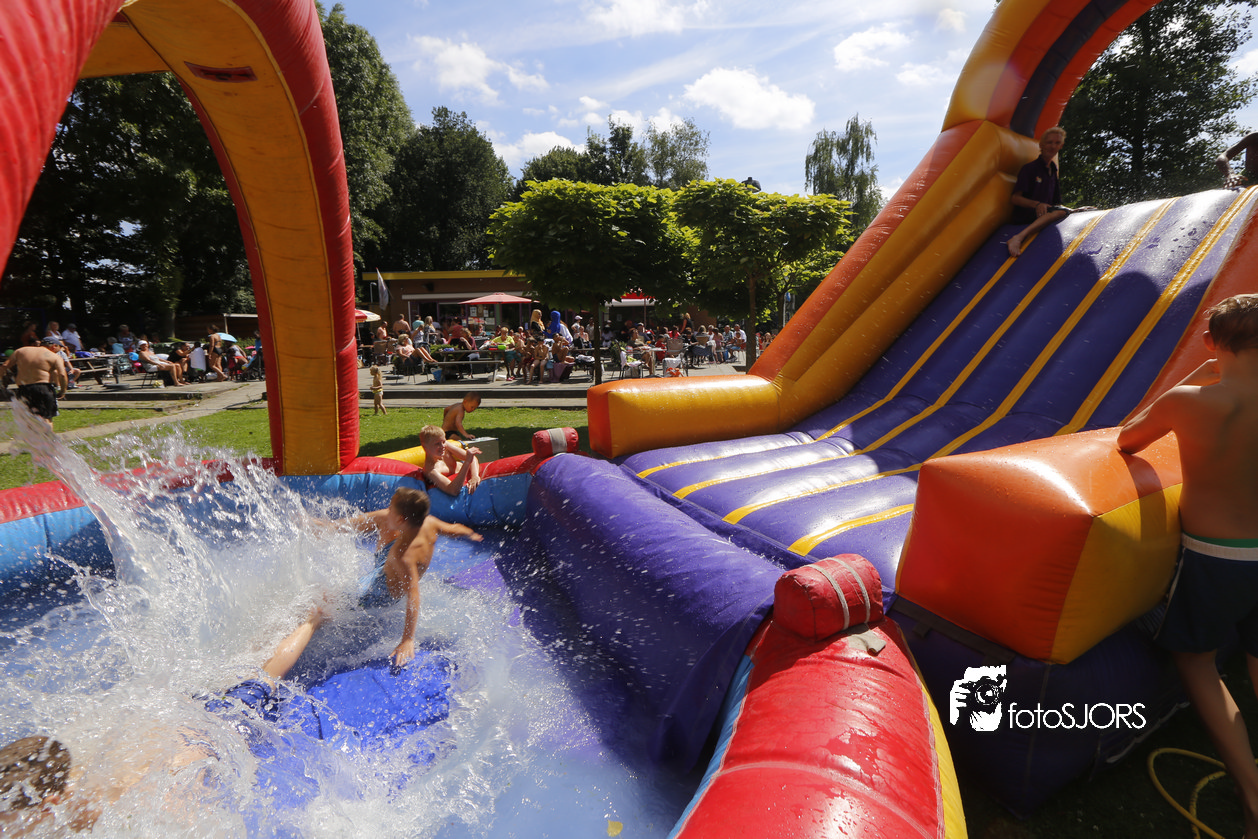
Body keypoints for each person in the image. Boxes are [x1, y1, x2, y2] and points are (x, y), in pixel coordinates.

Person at [1117, 294, 1258, 838]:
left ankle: (1252, 797)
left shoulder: (1190, 401)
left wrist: (1198, 375)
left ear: (1209, 342)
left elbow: (1128, 439)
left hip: (1216, 555)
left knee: (1196, 661)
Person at [335, 487, 481, 665]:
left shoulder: (403, 556)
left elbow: (413, 595)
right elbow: (453, 529)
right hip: (387, 564)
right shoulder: (430, 522)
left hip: (378, 593)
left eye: (391, 508)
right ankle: (329, 526)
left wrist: (407, 639)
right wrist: (470, 533)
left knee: (331, 603)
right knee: (382, 518)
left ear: (401, 520)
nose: (388, 510)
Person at [1006, 126, 1074, 258]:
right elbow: (1014, 198)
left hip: (1045, 214)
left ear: (1061, 146)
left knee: (1065, 211)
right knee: (1060, 212)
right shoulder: (1030, 168)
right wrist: (1037, 204)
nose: (1053, 146)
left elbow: (1056, 203)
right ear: (1041, 145)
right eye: (1049, 142)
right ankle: (1018, 237)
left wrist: (1072, 210)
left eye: (1057, 143)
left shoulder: (1053, 171)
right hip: (1026, 215)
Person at [3, 338, 67, 427]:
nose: (58, 351)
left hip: (23, 389)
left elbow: (5, 365)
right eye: (59, 348)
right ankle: (47, 436)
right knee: (46, 419)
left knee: (29, 419)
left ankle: (32, 436)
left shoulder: (21, 351)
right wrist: (63, 391)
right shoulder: (54, 356)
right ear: (54, 346)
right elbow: (62, 375)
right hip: (43, 388)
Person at [418, 425, 481, 496]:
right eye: (437, 444)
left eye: (444, 441)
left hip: (465, 467)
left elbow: (472, 458)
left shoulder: (445, 445)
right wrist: (467, 462)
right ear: (424, 446)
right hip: (462, 474)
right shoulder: (431, 470)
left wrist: (474, 476)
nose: (442, 446)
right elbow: (453, 490)